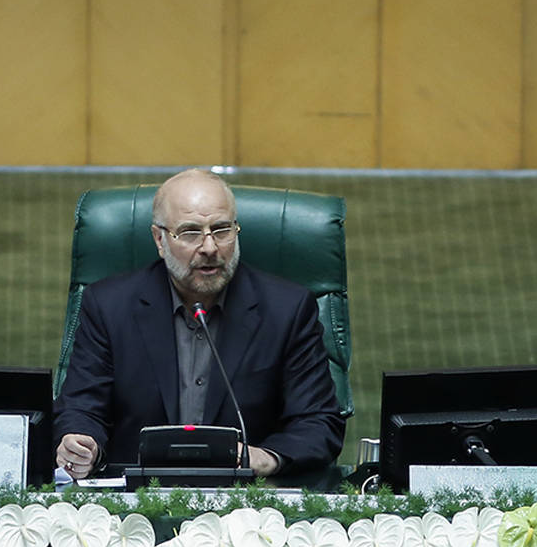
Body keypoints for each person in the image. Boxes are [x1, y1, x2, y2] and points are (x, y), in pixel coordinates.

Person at [54, 168, 345, 480]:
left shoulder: (287, 310)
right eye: (190, 233)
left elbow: (318, 423)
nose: (209, 248)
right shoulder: (109, 306)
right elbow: (81, 407)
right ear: (160, 239)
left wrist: (265, 458)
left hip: (247, 498)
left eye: (221, 230)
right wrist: (82, 444)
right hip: (139, 495)